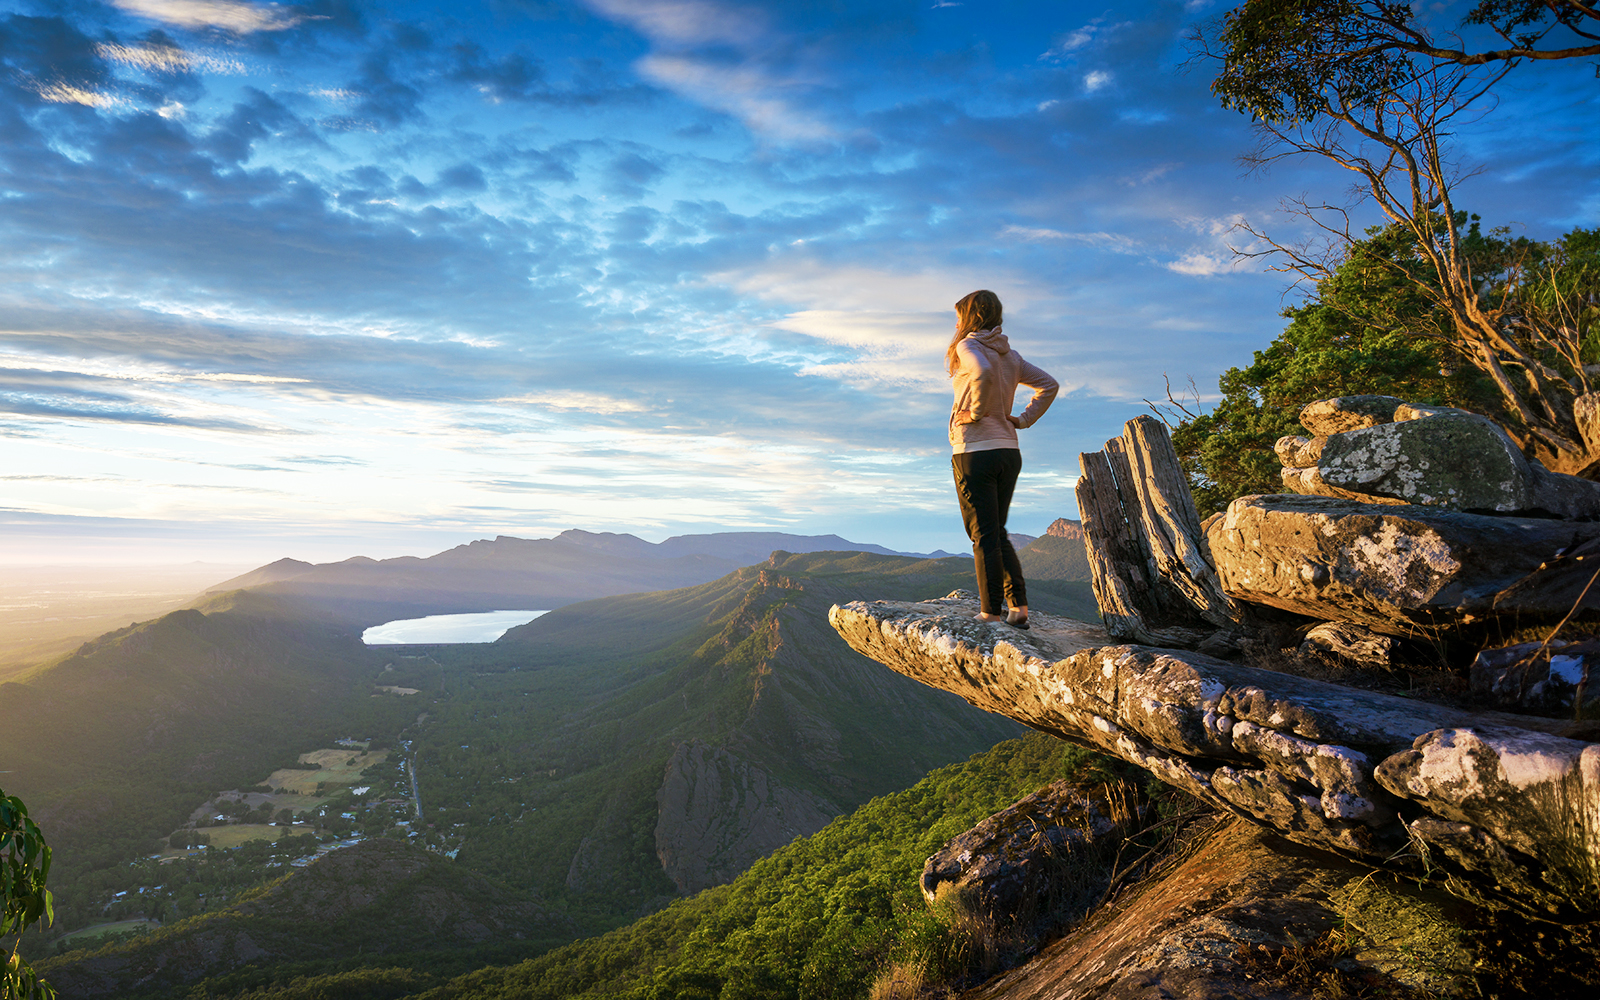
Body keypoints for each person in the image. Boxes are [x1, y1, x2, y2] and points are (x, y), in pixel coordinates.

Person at [946, 289, 1058, 629]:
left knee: (983, 535)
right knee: (998, 532)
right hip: (1008, 451)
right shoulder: (1011, 356)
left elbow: (980, 372)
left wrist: (975, 412)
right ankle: (1018, 608)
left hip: (975, 450)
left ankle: (989, 612)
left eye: (958, 316)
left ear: (968, 317)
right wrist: (1021, 420)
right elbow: (1049, 385)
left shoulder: (968, 347)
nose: (955, 323)